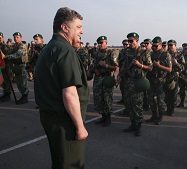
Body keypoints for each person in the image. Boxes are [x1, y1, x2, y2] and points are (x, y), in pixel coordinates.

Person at [34, 7, 89, 169]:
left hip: (52, 119)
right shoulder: (65, 51)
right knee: (72, 164)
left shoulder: (49, 49)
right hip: (66, 123)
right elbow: (69, 94)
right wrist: (80, 127)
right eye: (78, 27)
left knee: (60, 162)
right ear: (65, 28)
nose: (82, 31)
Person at [119, 32, 152, 136]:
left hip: (138, 82)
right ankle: (132, 124)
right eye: (128, 41)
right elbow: (123, 64)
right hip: (128, 81)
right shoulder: (126, 51)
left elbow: (150, 67)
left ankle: (138, 126)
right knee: (128, 104)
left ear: (137, 41)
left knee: (137, 105)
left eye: (131, 41)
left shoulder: (143, 52)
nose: (129, 43)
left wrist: (140, 65)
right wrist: (119, 74)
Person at [89, 36, 118, 127]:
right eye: (99, 43)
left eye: (102, 42)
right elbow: (94, 64)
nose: (100, 44)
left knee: (107, 98)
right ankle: (103, 116)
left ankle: (108, 118)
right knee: (98, 98)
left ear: (106, 42)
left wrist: (105, 66)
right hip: (98, 78)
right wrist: (94, 70)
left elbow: (116, 68)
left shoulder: (111, 53)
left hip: (107, 78)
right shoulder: (97, 53)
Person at [146, 36, 172, 125]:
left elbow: (169, 69)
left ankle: (160, 117)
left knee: (160, 100)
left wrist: (158, 66)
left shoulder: (166, 55)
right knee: (150, 98)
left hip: (160, 80)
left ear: (161, 45)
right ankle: (154, 115)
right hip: (151, 79)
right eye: (153, 46)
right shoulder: (151, 54)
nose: (154, 47)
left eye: (156, 46)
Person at [1, 32, 29, 104]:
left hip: (21, 66)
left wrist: (7, 57)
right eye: (15, 37)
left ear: (21, 38)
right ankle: (23, 96)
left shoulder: (22, 46)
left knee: (23, 82)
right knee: (19, 83)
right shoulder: (14, 46)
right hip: (16, 66)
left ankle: (25, 97)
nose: (16, 39)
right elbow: (9, 52)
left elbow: (18, 54)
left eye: (17, 37)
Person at [164, 39, 183, 116]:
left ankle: (171, 110)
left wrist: (176, 63)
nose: (170, 46)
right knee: (166, 95)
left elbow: (183, 68)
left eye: (172, 45)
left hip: (175, 78)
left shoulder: (180, 55)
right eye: (169, 45)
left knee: (173, 95)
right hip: (166, 77)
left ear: (175, 46)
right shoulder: (165, 54)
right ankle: (168, 108)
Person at [116, 39, 129, 105]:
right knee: (122, 86)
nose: (125, 46)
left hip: (128, 71)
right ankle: (123, 98)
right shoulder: (122, 52)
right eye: (124, 44)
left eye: (126, 44)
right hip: (122, 70)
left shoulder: (129, 51)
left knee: (127, 87)